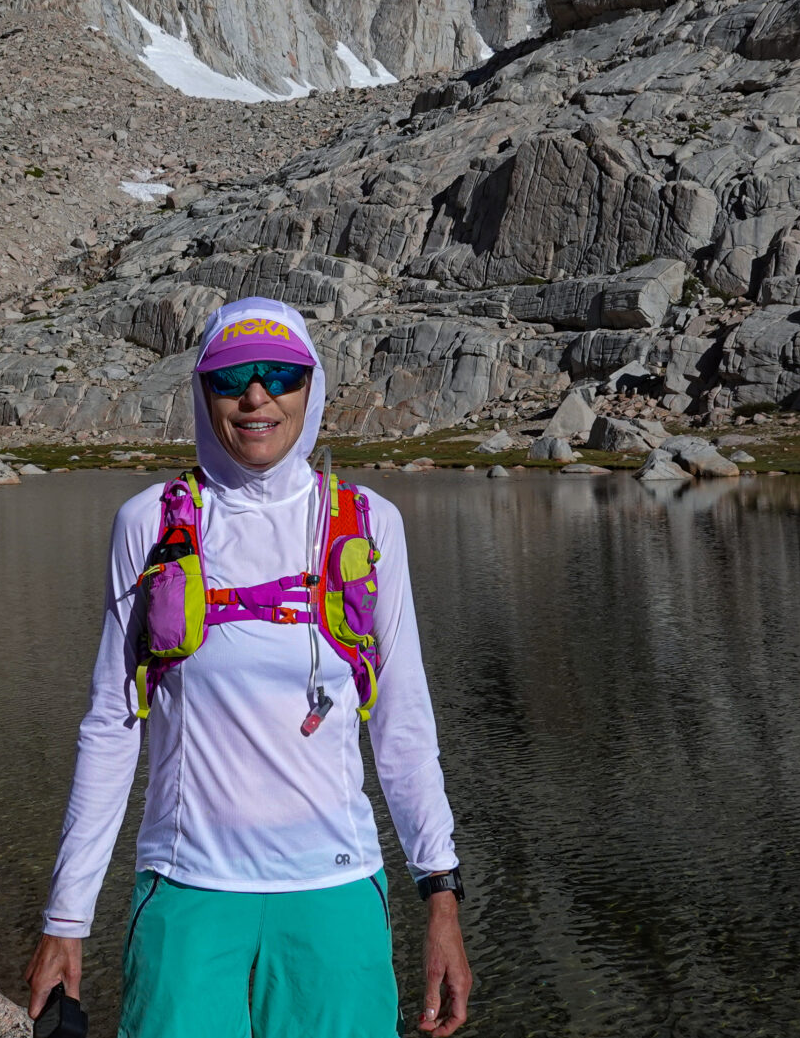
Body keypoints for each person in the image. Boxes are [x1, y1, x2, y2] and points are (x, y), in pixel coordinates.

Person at [26, 297, 473, 1037]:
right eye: (232, 376)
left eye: (281, 375)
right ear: (203, 392)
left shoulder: (368, 524)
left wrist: (441, 896)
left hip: (334, 893)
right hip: (187, 890)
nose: (257, 395)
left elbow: (404, 724)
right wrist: (66, 915)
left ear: (312, 387)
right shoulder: (150, 524)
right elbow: (111, 724)